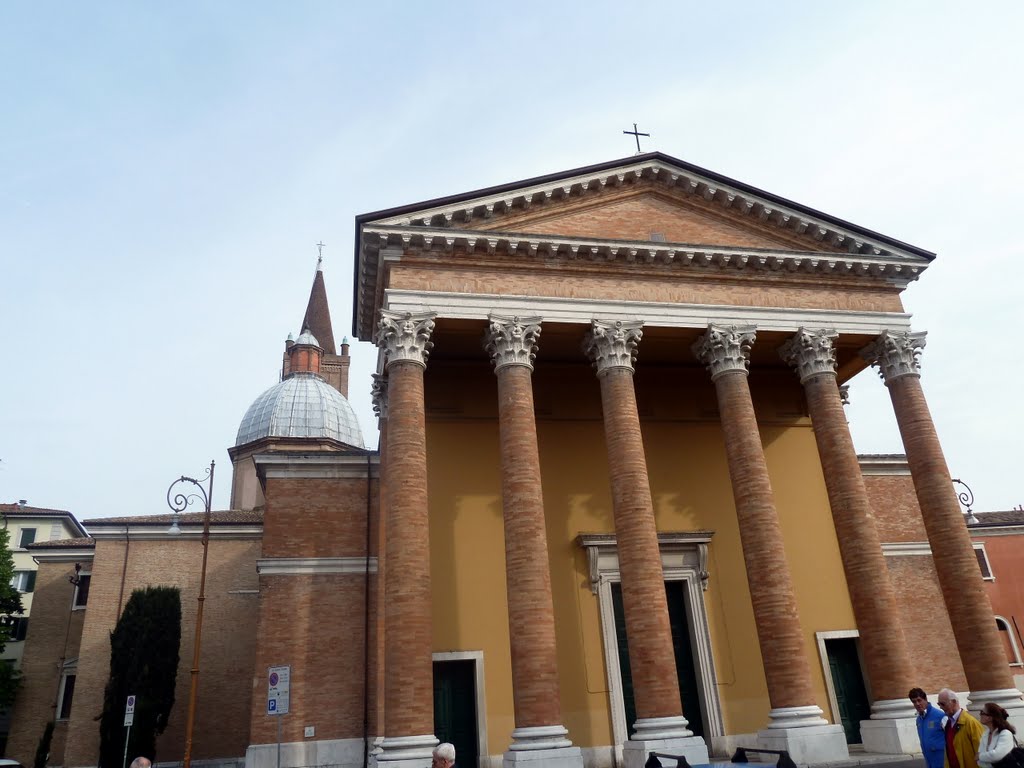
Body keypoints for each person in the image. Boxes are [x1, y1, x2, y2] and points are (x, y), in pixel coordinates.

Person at [938, 688, 984, 768]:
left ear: (954, 702)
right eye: (939, 704)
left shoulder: (971, 723)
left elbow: (981, 752)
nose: (941, 707)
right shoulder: (948, 723)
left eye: (943, 704)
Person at [911, 687, 947, 768]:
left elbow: (952, 738)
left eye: (919, 700)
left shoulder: (940, 716)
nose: (917, 704)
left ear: (925, 699)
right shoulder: (919, 720)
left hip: (943, 762)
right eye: (914, 702)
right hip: (929, 762)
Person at [978, 702, 1017, 768]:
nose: (980, 714)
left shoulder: (1005, 734)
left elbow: (997, 755)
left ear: (990, 718)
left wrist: (980, 756)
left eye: (982, 712)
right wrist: (983, 757)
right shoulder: (986, 734)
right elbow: (980, 761)